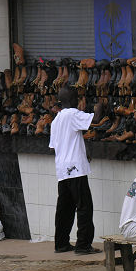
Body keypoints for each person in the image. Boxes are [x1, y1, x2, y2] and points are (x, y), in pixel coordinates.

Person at [49, 84, 102, 255]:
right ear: (73, 100)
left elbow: (55, 146)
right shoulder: (73, 114)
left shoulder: (56, 120)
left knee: (64, 208)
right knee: (84, 206)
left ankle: (61, 243)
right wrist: (101, 105)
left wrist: (80, 151)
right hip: (76, 169)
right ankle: (83, 245)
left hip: (62, 170)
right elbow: (95, 120)